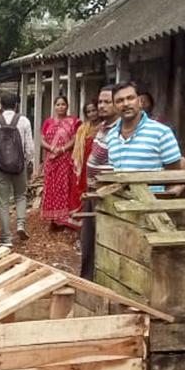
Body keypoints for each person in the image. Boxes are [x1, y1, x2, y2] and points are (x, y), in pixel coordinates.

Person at [78, 85, 120, 278]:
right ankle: (87, 286)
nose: (101, 106)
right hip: (93, 192)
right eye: (100, 102)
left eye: (107, 102)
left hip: (108, 195)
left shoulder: (120, 131)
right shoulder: (103, 128)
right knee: (88, 244)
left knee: (104, 245)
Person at [0, 93, 35, 246]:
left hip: (1, 167)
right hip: (19, 167)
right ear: (16, 105)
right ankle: (20, 224)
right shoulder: (24, 121)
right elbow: (30, 147)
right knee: (20, 196)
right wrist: (24, 162)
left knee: (3, 201)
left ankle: (6, 236)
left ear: (1, 105)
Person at [106, 81, 184, 177]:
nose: (125, 104)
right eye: (120, 101)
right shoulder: (111, 136)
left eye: (130, 98)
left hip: (151, 192)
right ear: (114, 106)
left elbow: (175, 174)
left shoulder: (161, 132)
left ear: (139, 101)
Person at [40, 96, 82, 230]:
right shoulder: (48, 122)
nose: (60, 107)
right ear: (54, 107)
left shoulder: (73, 122)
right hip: (51, 160)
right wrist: (52, 148)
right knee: (50, 188)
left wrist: (63, 149)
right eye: (58, 104)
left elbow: (75, 139)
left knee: (65, 188)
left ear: (67, 106)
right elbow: (42, 140)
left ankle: (64, 221)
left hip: (65, 159)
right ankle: (52, 220)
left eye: (63, 104)